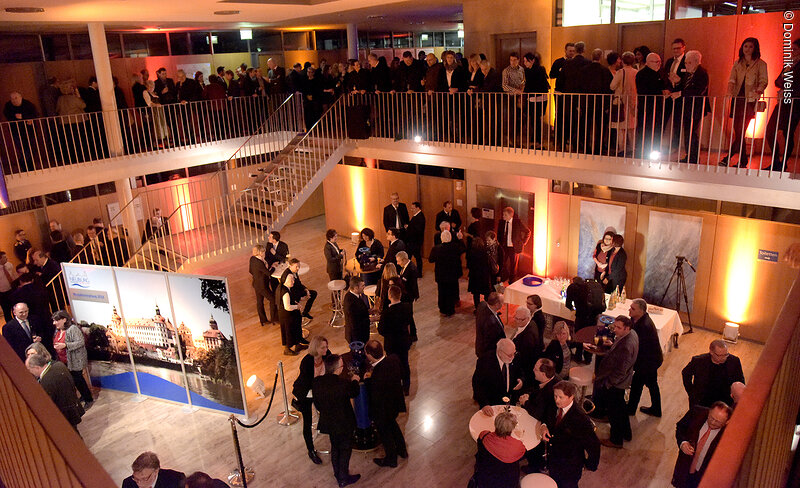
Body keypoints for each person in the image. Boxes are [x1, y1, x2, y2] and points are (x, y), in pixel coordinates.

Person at [537, 381, 600, 488]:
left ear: (571, 397)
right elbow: (546, 415)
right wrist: (543, 426)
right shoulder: (554, 404)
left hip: (570, 467)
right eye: (555, 396)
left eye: (561, 397)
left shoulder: (581, 419)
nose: (556, 400)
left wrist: (589, 465)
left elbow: (594, 445)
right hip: (554, 459)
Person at [312, 354, 361, 488]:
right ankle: (343, 478)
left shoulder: (317, 383)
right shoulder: (343, 384)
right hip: (345, 422)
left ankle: (337, 473)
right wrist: (355, 380)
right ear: (337, 369)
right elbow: (355, 392)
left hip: (329, 422)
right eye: (341, 366)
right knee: (345, 449)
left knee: (335, 447)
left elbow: (317, 404)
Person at [719, 38, 768, 168]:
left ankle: (729, 158)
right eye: (745, 46)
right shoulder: (738, 63)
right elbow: (732, 79)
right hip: (737, 99)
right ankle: (742, 160)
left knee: (741, 131)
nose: (747, 49)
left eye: (750, 46)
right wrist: (729, 91)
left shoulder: (761, 63)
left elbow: (764, 80)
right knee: (738, 131)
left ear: (755, 48)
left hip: (750, 100)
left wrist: (758, 90)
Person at [593, 316, 639, 449]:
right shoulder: (632, 335)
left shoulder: (626, 346)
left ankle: (616, 440)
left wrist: (608, 384)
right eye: (615, 326)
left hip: (616, 384)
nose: (615, 330)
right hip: (622, 381)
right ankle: (626, 433)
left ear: (627, 328)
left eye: (619, 328)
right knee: (621, 408)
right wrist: (613, 345)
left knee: (614, 413)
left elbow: (620, 370)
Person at [364, 340, 407, 467]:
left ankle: (391, 459)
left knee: (385, 434)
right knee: (394, 426)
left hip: (382, 410)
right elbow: (402, 374)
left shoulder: (377, 377)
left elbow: (373, 394)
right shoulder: (394, 359)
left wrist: (367, 381)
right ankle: (402, 450)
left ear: (370, 355)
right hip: (394, 404)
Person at [671, 402, 733, 488]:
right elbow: (681, 427)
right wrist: (683, 443)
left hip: (705, 477)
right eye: (711, 418)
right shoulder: (696, 413)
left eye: (718, 422)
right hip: (684, 468)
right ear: (709, 411)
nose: (713, 422)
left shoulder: (729, 436)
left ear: (727, 422)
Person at [291, 335, 331, 465]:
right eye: (323, 347)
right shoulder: (307, 362)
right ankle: (310, 450)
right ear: (315, 348)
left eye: (326, 346)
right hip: (306, 394)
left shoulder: (327, 355)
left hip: (319, 391)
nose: (326, 349)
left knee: (327, 412)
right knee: (307, 422)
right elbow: (307, 382)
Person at [518, 358, 560, 473]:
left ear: (543, 374)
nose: (533, 370)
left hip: (546, 427)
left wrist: (525, 402)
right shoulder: (552, 380)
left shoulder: (551, 392)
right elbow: (538, 392)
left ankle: (534, 466)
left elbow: (538, 413)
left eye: (535, 369)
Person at [25, 354, 84, 431]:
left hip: (64, 415)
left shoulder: (46, 382)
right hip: (73, 406)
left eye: (29, 369)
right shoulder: (59, 365)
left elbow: (48, 405)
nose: (30, 372)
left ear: (37, 367)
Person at [626, 298, 663, 417]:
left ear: (641, 311)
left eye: (633, 309)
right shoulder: (637, 319)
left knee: (638, 384)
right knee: (651, 384)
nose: (629, 310)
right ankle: (656, 409)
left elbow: (637, 347)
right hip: (649, 360)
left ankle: (631, 409)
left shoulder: (644, 326)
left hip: (648, 361)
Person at [682, 339, 745, 408]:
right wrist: (691, 393)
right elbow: (685, 373)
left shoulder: (734, 361)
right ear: (711, 352)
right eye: (720, 355)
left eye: (726, 355)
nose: (724, 358)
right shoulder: (698, 361)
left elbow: (740, 380)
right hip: (702, 401)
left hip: (725, 401)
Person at [471, 411, 526, 488]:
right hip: (507, 481)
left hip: (485, 475)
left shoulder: (484, 435)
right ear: (512, 428)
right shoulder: (517, 446)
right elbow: (523, 453)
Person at [674, 50, 710, 164]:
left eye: (688, 63)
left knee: (691, 132)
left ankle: (693, 157)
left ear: (696, 62)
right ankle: (690, 155)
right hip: (687, 107)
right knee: (688, 132)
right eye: (686, 63)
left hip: (696, 107)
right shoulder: (689, 74)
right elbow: (685, 87)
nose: (686, 65)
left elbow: (698, 90)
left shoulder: (702, 73)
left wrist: (680, 93)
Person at [51, 310, 93, 408]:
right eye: (53, 321)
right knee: (74, 380)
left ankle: (88, 399)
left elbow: (80, 342)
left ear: (64, 319)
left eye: (56, 320)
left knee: (78, 379)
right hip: (64, 361)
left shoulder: (72, 329)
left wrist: (65, 345)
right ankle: (83, 396)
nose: (54, 323)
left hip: (75, 360)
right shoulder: (57, 330)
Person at [472, 339, 523, 413]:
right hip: (492, 404)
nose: (513, 357)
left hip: (510, 402)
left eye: (514, 353)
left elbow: (520, 372)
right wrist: (484, 404)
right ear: (499, 352)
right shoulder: (485, 361)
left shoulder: (516, 357)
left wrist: (521, 380)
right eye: (509, 355)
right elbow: (477, 384)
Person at [378, 285, 412, 394]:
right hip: (403, 342)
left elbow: (381, 330)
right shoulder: (407, 307)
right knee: (405, 363)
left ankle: (396, 387)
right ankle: (406, 387)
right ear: (400, 295)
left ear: (389, 296)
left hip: (391, 344)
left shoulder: (386, 312)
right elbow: (408, 324)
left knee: (393, 366)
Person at [636, 53, 665, 159]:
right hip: (646, 108)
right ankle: (642, 152)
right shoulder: (642, 74)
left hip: (657, 108)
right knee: (645, 130)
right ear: (648, 63)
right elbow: (645, 90)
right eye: (656, 62)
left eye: (660, 62)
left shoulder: (659, 73)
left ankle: (655, 152)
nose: (658, 64)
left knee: (657, 129)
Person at [428, 229, 464, 317]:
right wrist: (460, 239)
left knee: (442, 292)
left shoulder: (436, 249)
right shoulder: (455, 247)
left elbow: (430, 260)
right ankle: (450, 310)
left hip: (441, 275)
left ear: (441, 238)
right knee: (451, 291)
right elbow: (463, 249)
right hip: (452, 274)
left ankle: (443, 309)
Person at [609, 51, 638, 157]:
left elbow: (612, 86)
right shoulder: (636, 72)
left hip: (621, 102)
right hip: (633, 101)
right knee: (631, 127)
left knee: (621, 127)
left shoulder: (621, 72)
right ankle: (633, 147)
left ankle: (622, 148)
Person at [496, 206, 530, 283]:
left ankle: (512, 282)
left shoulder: (517, 222)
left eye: (505, 215)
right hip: (504, 247)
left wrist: (523, 242)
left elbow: (528, 232)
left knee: (513, 266)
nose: (503, 216)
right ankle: (501, 279)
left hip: (514, 248)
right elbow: (499, 234)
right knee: (502, 263)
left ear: (511, 215)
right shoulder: (501, 222)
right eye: (503, 215)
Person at [511, 306, 542, 388]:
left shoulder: (528, 337)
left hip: (523, 369)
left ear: (528, 318)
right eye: (516, 318)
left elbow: (524, 359)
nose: (517, 321)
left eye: (521, 319)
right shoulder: (530, 323)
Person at [276, 272, 306, 356]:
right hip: (287, 316)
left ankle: (297, 345)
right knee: (289, 332)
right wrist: (297, 307)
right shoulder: (285, 292)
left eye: (293, 279)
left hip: (287, 315)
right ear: (285, 280)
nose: (293, 281)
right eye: (291, 280)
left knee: (295, 329)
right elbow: (287, 307)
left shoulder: (284, 287)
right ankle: (287, 349)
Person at [121, 451, 186, 488]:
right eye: (136, 478)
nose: (139, 484)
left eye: (144, 479)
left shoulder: (176, 479)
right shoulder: (128, 484)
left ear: (156, 471)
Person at [475, 292, 505, 358]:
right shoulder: (491, 323)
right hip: (488, 353)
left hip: (481, 346)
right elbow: (492, 341)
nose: (503, 304)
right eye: (502, 302)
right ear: (497, 304)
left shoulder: (482, 305)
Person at [249, 245, 273, 327]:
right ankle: (274, 318)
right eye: (263, 251)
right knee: (273, 299)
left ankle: (263, 320)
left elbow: (250, 271)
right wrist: (273, 267)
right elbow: (269, 273)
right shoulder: (259, 263)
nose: (264, 253)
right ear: (260, 253)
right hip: (262, 286)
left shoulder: (252, 259)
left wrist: (258, 275)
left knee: (260, 303)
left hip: (256, 284)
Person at [467, 236, 493, 310]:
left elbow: (469, 265)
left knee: (476, 294)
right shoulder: (485, 252)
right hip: (483, 275)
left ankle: (477, 307)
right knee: (486, 292)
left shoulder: (471, 253)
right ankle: (489, 307)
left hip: (474, 276)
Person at [343, 276, 370, 344]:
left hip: (360, 335)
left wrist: (371, 311)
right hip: (356, 338)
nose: (364, 287)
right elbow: (356, 323)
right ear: (356, 288)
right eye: (362, 286)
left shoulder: (355, 295)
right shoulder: (350, 302)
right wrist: (372, 319)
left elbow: (360, 312)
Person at [405, 202, 426, 276]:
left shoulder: (420, 217)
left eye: (413, 208)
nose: (411, 210)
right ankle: (415, 272)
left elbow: (418, 230)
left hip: (415, 241)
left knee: (415, 257)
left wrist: (409, 227)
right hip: (414, 241)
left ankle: (415, 272)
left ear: (418, 208)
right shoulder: (417, 216)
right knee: (414, 257)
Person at [0, 251, 18, 320]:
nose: (6, 258)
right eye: (4, 257)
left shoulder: (9, 265)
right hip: (3, 294)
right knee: (6, 311)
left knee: (15, 309)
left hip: (12, 290)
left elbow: (14, 276)